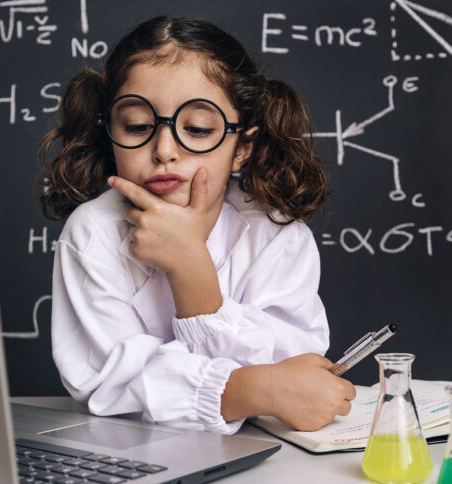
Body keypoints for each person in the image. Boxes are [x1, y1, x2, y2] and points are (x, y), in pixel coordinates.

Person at [36, 15, 356, 435]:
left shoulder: (277, 235)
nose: (164, 150)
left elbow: (296, 372)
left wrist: (192, 274)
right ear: (109, 133)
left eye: (199, 129)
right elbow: (113, 387)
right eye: (137, 126)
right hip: (139, 457)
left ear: (242, 147)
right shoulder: (92, 233)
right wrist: (255, 389)